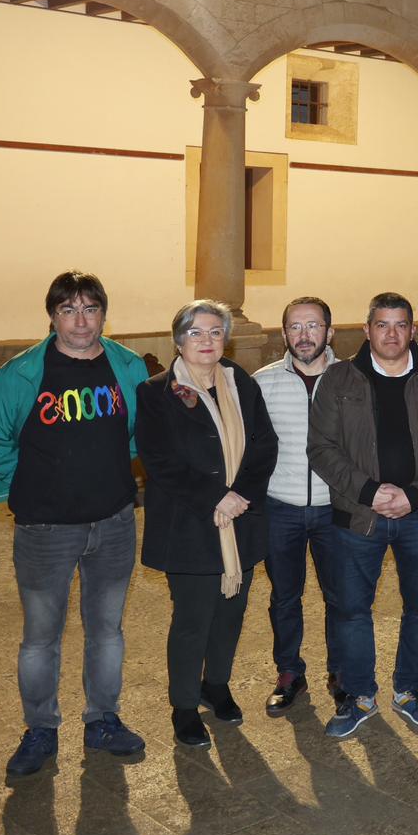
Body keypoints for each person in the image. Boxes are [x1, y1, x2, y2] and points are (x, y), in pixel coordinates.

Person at [0, 270, 151, 776]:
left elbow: (137, 433)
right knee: (40, 637)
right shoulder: (19, 375)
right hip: (45, 530)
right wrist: (33, 483)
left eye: (90, 309)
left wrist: (108, 472)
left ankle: (103, 720)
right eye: (68, 310)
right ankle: (40, 729)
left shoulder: (127, 366)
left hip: (114, 523)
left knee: (107, 631)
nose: (80, 321)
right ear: (52, 316)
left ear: (103, 314)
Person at [307, 292, 418, 738]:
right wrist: (369, 492)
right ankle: (358, 695)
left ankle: (409, 690)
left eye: (401, 325)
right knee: (351, 611)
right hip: (359, 516)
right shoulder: (338, 379)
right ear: (367, 330)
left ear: (413, 330)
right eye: (382, 324)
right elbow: (321, 448)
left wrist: (415, 495)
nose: (392, 334)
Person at [137, 300, 279, 748]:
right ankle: (183, 705)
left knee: (231, 613)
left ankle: (216, 684)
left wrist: (241, 495)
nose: (206, 341)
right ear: (178, 340)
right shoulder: (156, 393)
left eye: (215, 332)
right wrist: (216, 496)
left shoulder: (241, 383)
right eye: (196, 333)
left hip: (241, 520)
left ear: (226, 340)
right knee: (193, 620)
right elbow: (159, 460)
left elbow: (265, 444)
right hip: (190, 525)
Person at [255, 296, 343, 717]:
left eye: (313, 326)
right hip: (281, 508)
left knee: (340, 597)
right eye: (295, 326)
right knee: (285, 597)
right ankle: (289, 671)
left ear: (330, 331)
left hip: (335, 509)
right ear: (284, 333)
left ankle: (341, 672)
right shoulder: (262, 383)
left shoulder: (351, 380)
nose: (304, 335)